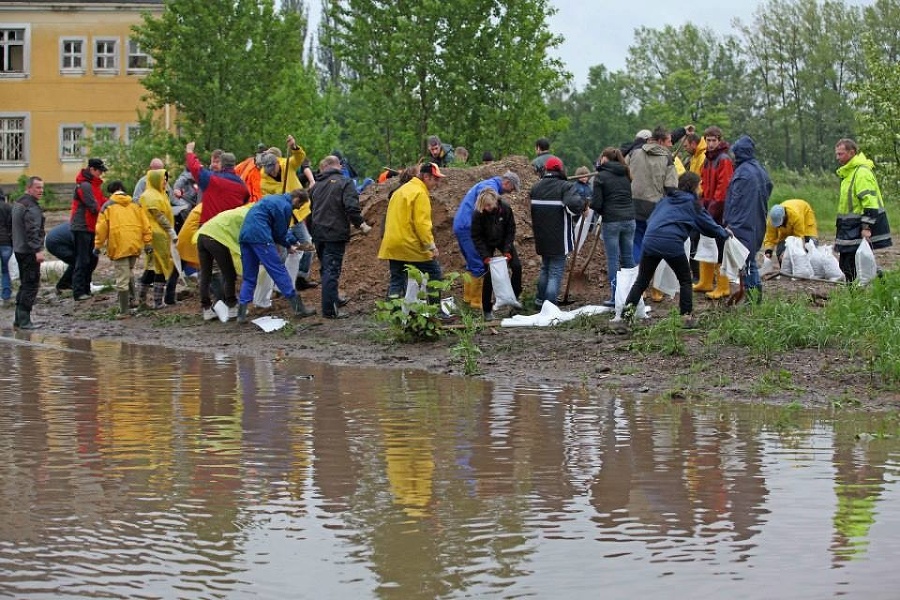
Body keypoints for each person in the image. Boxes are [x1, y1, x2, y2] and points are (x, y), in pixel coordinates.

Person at [621, 172, 730, 329]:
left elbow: (651, 219)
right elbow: (709, 226)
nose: (701, 189)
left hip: (650, 239)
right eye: (700, 185)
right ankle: (686, 317)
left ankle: (626, 318)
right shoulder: (693, 204)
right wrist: (725, 234)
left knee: (642, 281)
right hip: (671, 243)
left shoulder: (666, 199)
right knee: (685, 280)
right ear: (693, 187)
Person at [236, 189, 316, 323]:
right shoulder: (285, 206)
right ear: (296, 199)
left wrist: (289, 243)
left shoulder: (273, 199)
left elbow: (277, 229)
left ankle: (241, 314)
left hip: (245, 237)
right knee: (278, 270)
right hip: (261, 237)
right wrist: (290, 244)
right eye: (299, 206)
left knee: (249, 276)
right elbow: (280, 232)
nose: (297, 209)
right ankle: (298, 308)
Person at [310, 155, 372, 319]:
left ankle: (333, 298)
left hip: (318, 233)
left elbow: (310, 211)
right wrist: (361, 224)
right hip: (334, 233)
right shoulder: (345, 182)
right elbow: (351, 207)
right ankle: (330, 310)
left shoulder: (315, 186)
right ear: (337, 166)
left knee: (326, 268)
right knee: (332, 270)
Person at [453, 171, 521, 309]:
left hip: (461, 225)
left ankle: (468, 299)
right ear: (507, 183)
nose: (510, 192)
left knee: (472, 263)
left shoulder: (489, 184)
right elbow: (484, 207)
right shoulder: (489, 188)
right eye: (512, 189)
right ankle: (476, 303)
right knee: (478, 263)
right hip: (468, 227)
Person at [378, 162, 446, 298]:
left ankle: (394, 315)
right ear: (426, 177)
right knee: (434, 274)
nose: (438, 183)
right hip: (409, 244)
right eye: (436, 179)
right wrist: (431, 246)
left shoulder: (400, 190)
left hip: (392, 244)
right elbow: (422, 224)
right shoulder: (420, 193)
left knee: (397, 281)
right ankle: (435, 312)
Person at [627, 125, 679, 303]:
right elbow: (671, 186)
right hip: (656, 207)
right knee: (657, 246)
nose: (671, 145)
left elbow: (626, 172)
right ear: (661, 141)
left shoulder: (635, 153)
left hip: (634, 204)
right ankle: (656, 289)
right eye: (669, 141)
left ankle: (637, 286)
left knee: (637, 243)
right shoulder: (667, 157)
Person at [529, 156, 586, 308]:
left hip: (541, 237)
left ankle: (539, 301)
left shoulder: (536, 187)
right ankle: (550, 305)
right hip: (559, 238)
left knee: (545, 268)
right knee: (555, 271)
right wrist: (582, 204)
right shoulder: (565, 186)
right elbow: (574, 204)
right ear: (560, 169)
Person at [834, 138, 893, 281]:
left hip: (857, 226)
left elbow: (870, 202)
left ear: (852, 152)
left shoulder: (861, 173)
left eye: (840, 154)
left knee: (850, 265)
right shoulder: (848, 173)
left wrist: (866, 227)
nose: (837, 158)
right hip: (848, 227)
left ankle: (861, 292)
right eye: (837, 154)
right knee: (847, 264)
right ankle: (871, 283)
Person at [723, 135, 773, 302]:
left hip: (742, 221)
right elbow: (769, 189)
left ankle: (754, 298)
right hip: (758, 217)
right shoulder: (760, 169)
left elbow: (734, 201)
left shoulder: (742, 173)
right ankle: (752, 297)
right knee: (749, 257)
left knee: (747, 259)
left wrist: (728, 222)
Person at [94, 180, 152, 316]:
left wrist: (97, 246)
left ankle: (124, 311)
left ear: (111, 192)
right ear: (122, 189)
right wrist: (148, 243)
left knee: (122, 277)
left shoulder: (107, 206)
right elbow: (145, 224)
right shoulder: (136, 204)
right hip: (134, 244)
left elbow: (101, 229)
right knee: (129, 271)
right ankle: (134, 299)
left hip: (119, 245)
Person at [592, 147, 635, 307]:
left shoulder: (600, 177)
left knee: (613, 259)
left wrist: (598, 208)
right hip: (630, 219)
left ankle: (615, 296)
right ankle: (631, 295)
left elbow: (596, 203)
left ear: (604, 159)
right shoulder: (626, 173)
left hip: (611, 221)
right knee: (628, 258)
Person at [694, 125, 734, 299]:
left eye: (713, 140)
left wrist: (709, 212)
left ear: (719, 140)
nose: (710, 144)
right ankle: (706, 281)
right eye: (708, 140)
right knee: (706, 244)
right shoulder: (707, 159)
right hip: (707, 206)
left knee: (719, 246)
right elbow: (702, 182)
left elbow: (723, 189)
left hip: (720, 209)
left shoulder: (723, 159)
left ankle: (723, 286)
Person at [471, 187, 521, 320]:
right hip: (486, 242)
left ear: (495, 201)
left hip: (503, 239)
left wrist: (507, 249)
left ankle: (514, 300)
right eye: (484, 206)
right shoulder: (478, 213)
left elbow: (511, 229)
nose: (487, 208)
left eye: (489, 205)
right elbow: (476, 236)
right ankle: (487, 309)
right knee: (489, 274)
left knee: (516, 266)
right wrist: (485, 256)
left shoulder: (504, 208)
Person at [195, 204, 251, 321]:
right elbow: (243, 238)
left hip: (202, 235)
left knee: (206, 274)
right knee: (229, 273)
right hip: (215, 238)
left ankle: (206, 309)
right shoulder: (246, 216)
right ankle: (232, 307)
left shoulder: (236, 212)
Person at [137, 168, 177, 309]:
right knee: (159, 265)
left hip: (159, 234)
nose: (165, 181)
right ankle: (157, 302)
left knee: (152, 265)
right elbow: (159, 216)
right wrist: (171, 231)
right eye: (162, 179)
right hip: (156, 234)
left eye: (166, 179)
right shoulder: (150, 196)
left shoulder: (160, 194)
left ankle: (142, 301)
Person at [185, 141, 249, 224]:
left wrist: (190, 152)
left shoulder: (211, 179)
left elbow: (195, 168)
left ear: (221, 164)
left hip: (209, 228)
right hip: (230, 229)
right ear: (234, 165)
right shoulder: (242, 186)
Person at [11, 176, 45, 329]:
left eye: (42, 188)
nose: (41, 191)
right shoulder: (30, 206)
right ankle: (24, 321)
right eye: (38, 188)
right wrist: (37, 250)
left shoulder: (19, 202)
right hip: (29, 251)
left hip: (19, 249)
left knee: (24, 283)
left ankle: (19, 319)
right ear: (29, 188)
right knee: (31, 284)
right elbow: (32, 230)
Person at [70, 157, 107, 301]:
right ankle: (79, 291)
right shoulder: (84, 186)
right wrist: (106, 213)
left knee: (92, 260)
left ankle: (86, 288)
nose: (101, 174)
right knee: (83, 259)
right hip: (82, 227)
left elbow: (101, 201)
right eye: (100, 171)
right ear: (92, 169)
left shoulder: (94, 185)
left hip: (91, 227)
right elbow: (93, 206)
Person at [763, 199, 819, 265]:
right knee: (781, 249)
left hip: (805, 216)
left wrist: (787, 252)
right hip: (786, 230)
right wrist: (768, 251)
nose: (778, 226)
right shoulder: (772, 221)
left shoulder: (796, 216)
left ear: (784, 216)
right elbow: (770, 238)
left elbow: (798, 239)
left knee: (811, 244)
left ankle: (809, 268)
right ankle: (785, 271)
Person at [44, 222, 76, 293]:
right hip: (55, 243)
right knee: (78, 261)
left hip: (56, 239)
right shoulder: (83, 229)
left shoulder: (81, 223)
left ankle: (66, 283)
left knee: (77, 261)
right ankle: (64, 284)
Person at [0, 192, 12, 308]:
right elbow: (12, 225)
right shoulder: (8, 207)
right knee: (5, 270)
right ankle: (6, 296)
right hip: (6, 243)